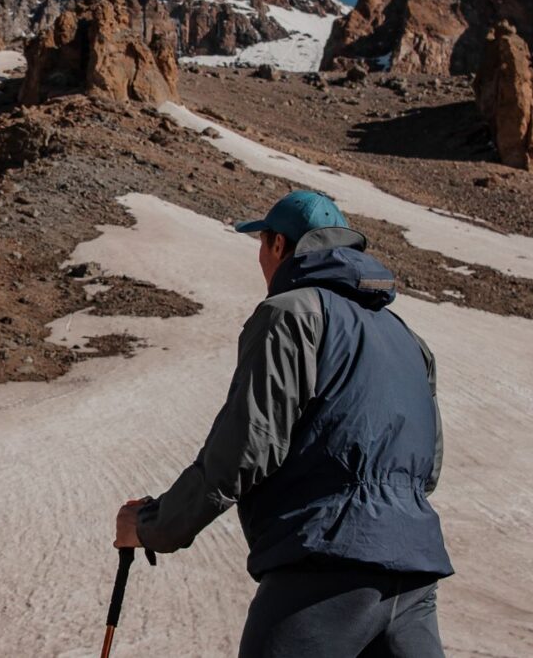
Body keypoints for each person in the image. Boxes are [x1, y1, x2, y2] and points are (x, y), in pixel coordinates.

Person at [114, 190, 452, 658]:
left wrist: (152, 526)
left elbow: (243, 451)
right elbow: (428, 469)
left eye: (261, 243)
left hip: (323, 570)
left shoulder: (292, 314)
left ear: (277, 244)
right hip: (413, 577)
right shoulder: (409, 339)